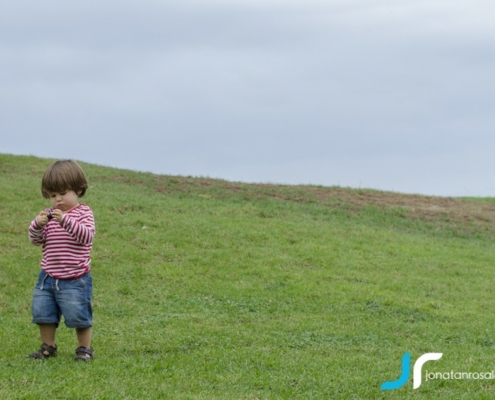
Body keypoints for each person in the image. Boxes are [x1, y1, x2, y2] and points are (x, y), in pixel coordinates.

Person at [28, 160, 96, 361]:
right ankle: (48, 346)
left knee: (78, 314)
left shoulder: (84, 213)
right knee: (44, 312)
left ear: (78, 190)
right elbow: (35, 240)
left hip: (75, 278)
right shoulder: (48, 216)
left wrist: (65, 221)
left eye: (63, 193)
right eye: (52, 195)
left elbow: (86, 237)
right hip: (48, 276)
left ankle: (84, 349)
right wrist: (37, 225)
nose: (58, 199)